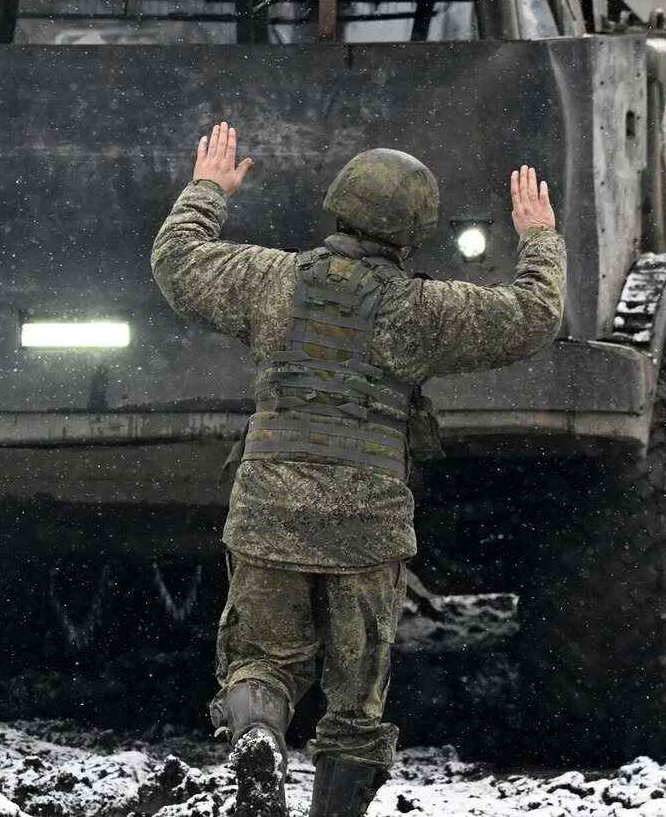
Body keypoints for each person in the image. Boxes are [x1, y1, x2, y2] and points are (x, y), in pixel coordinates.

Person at [150, 123, 566, 817]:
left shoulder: (269, 279)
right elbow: (534, 314)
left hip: (269, 507)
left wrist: (207, 191)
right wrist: (540, 238)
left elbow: (177, 260)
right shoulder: (424, 309)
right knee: (355, 701)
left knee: (261, 658)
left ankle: (257, 731)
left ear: (336, 207)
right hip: (364, 525)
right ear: (411, 236)